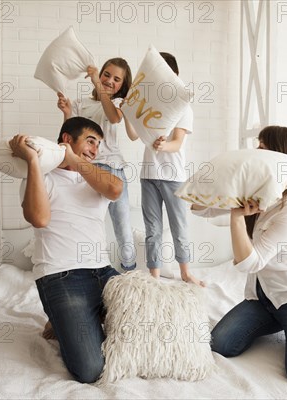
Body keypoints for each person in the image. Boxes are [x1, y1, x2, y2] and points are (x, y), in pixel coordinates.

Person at [192, 126, 287, 388]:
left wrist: (236, 217)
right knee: (221, 344)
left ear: (281, 157)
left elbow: (250, 262)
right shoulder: (256, 196)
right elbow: (200, 209)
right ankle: (285, 324)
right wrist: (221, 179)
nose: (256, 153)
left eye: (263, 148)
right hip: (264, 299)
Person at [9, 117, 122, 383]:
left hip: (104, 273)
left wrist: (75, 159)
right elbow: (39, 219)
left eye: (99, 145)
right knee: (91, 369)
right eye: (90, 141)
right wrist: (32, 160)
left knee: (146, 325)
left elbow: (115, 189)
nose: (95, 150)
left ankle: (66, 322)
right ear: (67, 140)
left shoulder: (94, 177)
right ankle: (63, 321)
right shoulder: (40, 178)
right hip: (63, 277)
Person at [126, 52, 204, 287]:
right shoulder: (147, 105)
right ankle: (154, 276)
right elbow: (132, 135)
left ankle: (185, 272)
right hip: (148, 175)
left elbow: (177, 143)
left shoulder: (183, 108)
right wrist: (126, 113)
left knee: (179, 227)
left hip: (173, 177)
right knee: (153, 229)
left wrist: (163, 144)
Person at [57, 57, 136, 271]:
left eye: (116, 79)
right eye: (106, 75)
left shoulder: (119, 104)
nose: (110, 81)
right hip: (85, 170)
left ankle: (129, 271)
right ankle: (88, 269)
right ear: (101, 73)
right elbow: (72, 135)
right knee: (85, 224)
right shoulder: (82, 103)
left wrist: (97, 83)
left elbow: (113, 118)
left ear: (122, 85)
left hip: (112, 170)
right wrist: (66, 113)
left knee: (122, 226)